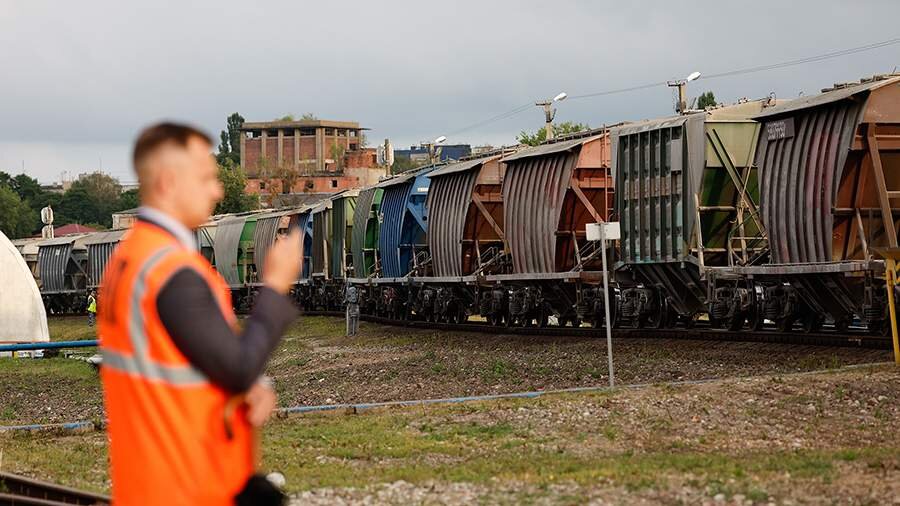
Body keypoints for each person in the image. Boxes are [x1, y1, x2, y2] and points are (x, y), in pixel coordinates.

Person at [98, 123, 302, 505]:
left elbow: (171, 365)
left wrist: (241, 389)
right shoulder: (171, 271)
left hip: (150, 482)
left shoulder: (131, 259)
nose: (217, 190)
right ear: (167, 183)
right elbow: (239, 365)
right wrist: (275, 288)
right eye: (206, 177)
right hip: (187, 487)